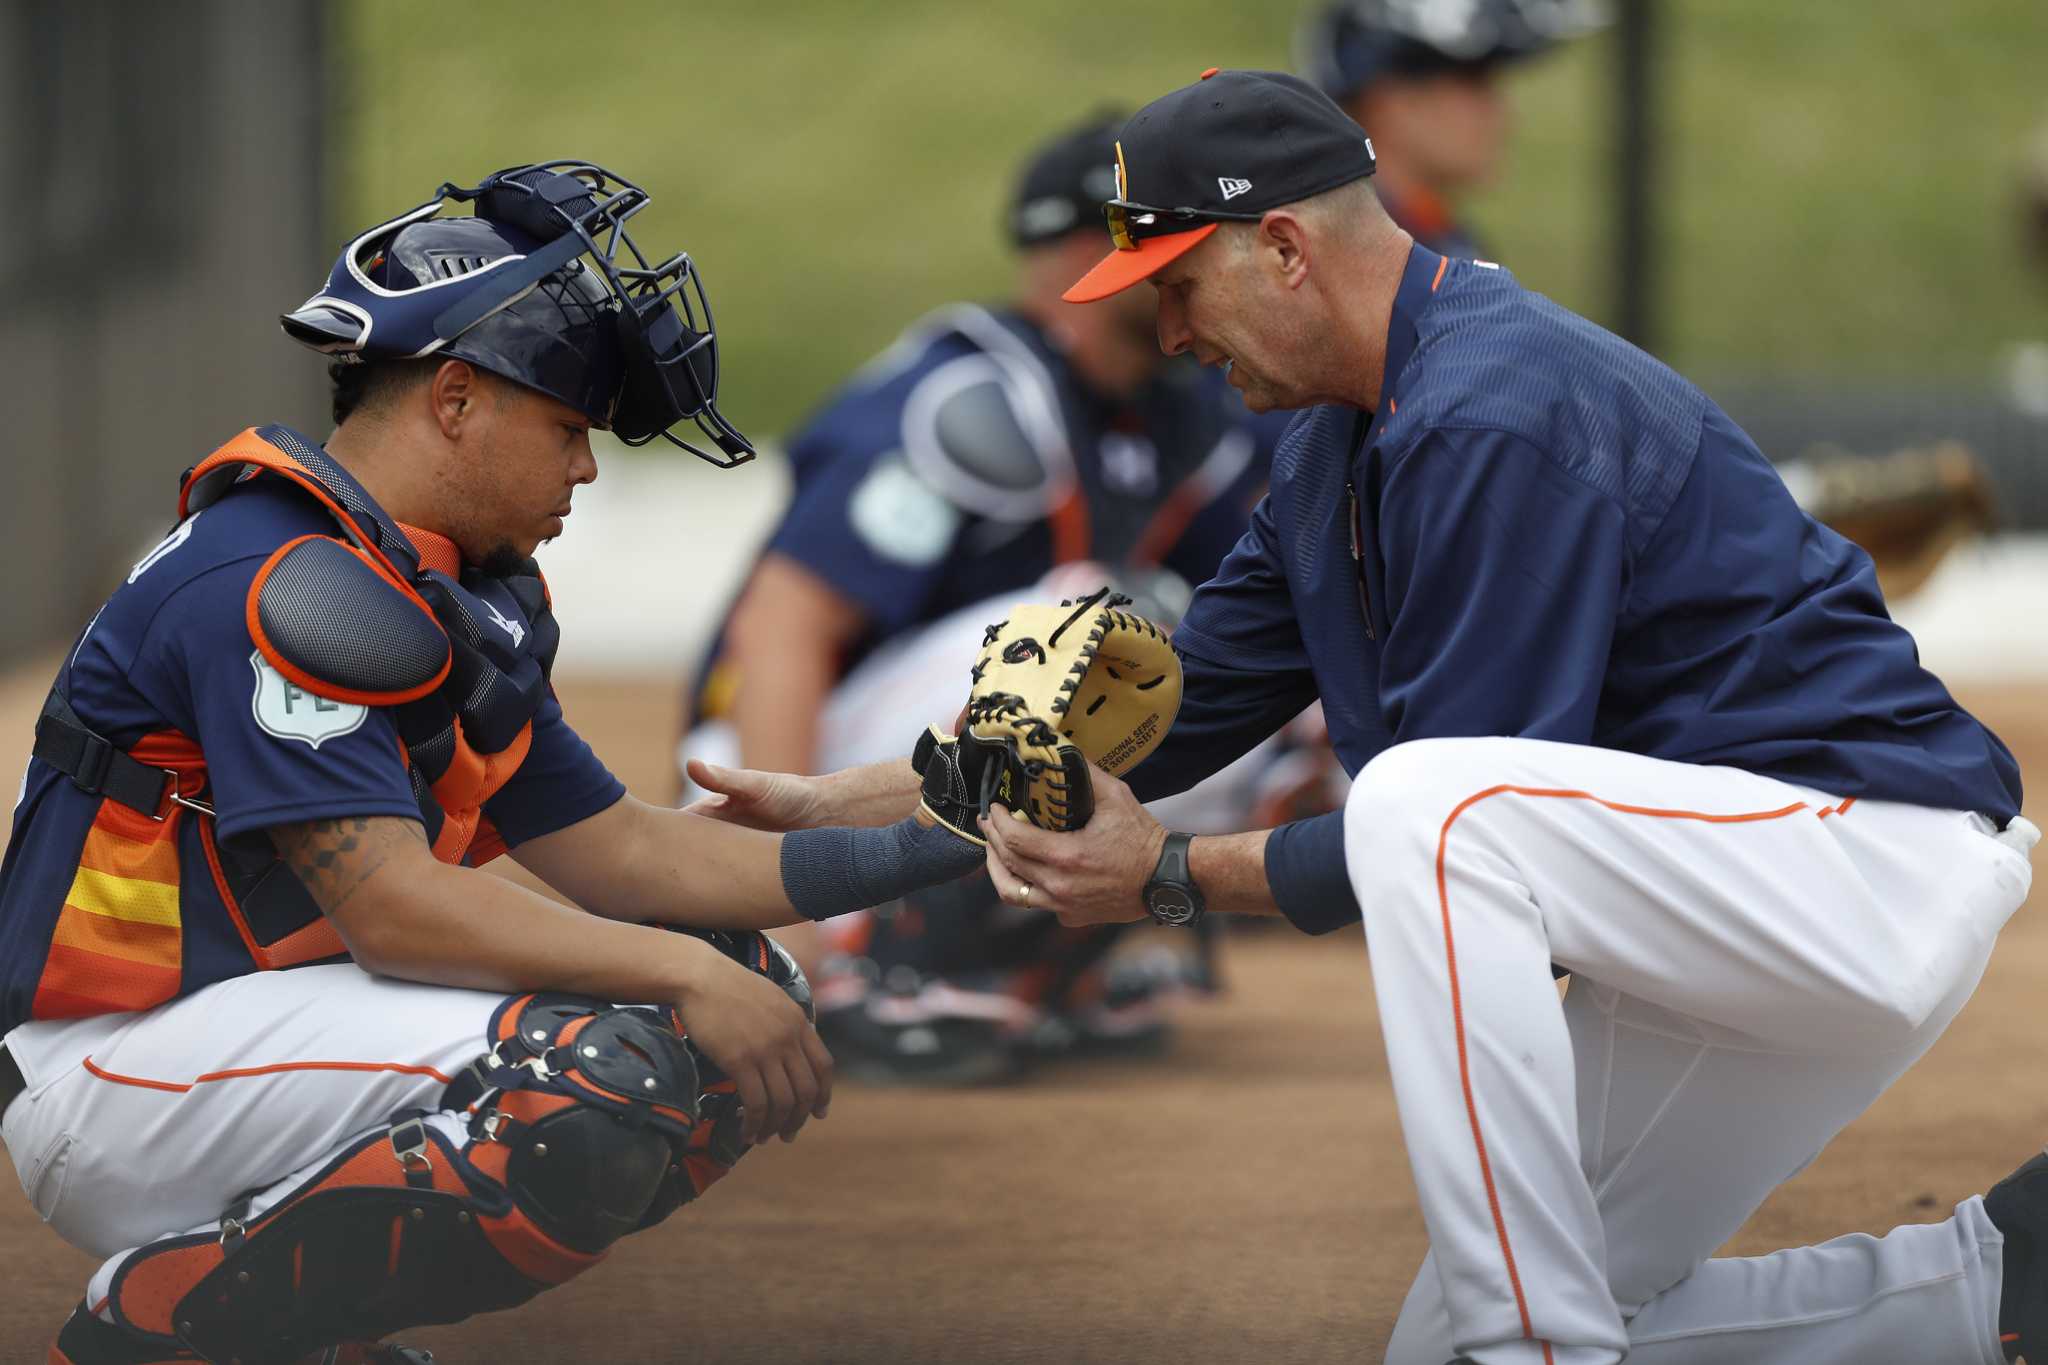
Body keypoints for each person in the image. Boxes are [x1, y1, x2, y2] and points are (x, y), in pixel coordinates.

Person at [721, 73, 2040, 1363]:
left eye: (1177, 286)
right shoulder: (1329, 442)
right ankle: (1987, 1282)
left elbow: (1443, 827)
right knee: (1439, 1339)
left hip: (1858, 860)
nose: (1170, 334)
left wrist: (1167, 878)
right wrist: (834, 811)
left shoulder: (1489, 413)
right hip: (1714, 909)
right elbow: (1151, 726)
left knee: (1424, 800)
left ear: (1284, 248)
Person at [0, 160, 989, 1365]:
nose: (584, 469)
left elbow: (634, 857)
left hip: (255, 1035)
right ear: (456, 398)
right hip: (119, 1073)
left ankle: (292, 1328)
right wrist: (681, 979)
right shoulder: (281, 580)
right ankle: (161, 1334)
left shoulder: (426, 585)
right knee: (599, 1074)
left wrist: (954, 819)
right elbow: (397, 915)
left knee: (739, 995)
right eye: (567, 427)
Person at [677, 115, 1288, 1084]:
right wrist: (798, 907)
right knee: (1091, 620)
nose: (1204, 260)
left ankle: (1025, 953)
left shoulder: (1181, 406)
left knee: (1222, 667)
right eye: (1167, 236)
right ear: (1093, 246)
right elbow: (781, 628)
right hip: (775, 774)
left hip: (944, 752)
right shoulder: (966, 399)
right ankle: (881, 958)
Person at [1294, 0, 1601, 260]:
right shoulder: (1346, 255)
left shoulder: (1436, 238)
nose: (1504, 115)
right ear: (1391, 102)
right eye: (1475, 84)